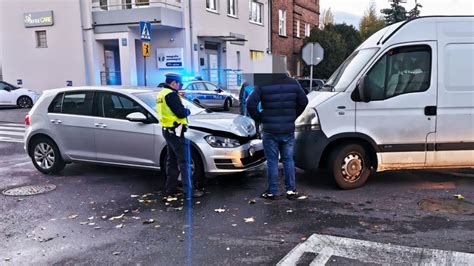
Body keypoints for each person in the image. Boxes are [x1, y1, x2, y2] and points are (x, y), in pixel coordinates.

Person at [246, 74, 308, 200]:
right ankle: (291, 190)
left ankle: (272, 191)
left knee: (272, 162)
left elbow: (250, 103)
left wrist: (259, 118)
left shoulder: (263, 84)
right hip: (287, 129)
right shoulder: (293, 83)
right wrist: (293, 115)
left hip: (270, 130)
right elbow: (304, 101)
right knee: (288, 160)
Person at [157, 73, 204, 199]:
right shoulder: (171, 95)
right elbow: (180, 113)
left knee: (172, 161)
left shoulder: (161, 94)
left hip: (167, 130)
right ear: (173, 83)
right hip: (176, 132)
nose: (180, 86)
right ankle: (189, 191)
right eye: (180, 84)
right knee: (184, 162)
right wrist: (187, 111)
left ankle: (171, 189)